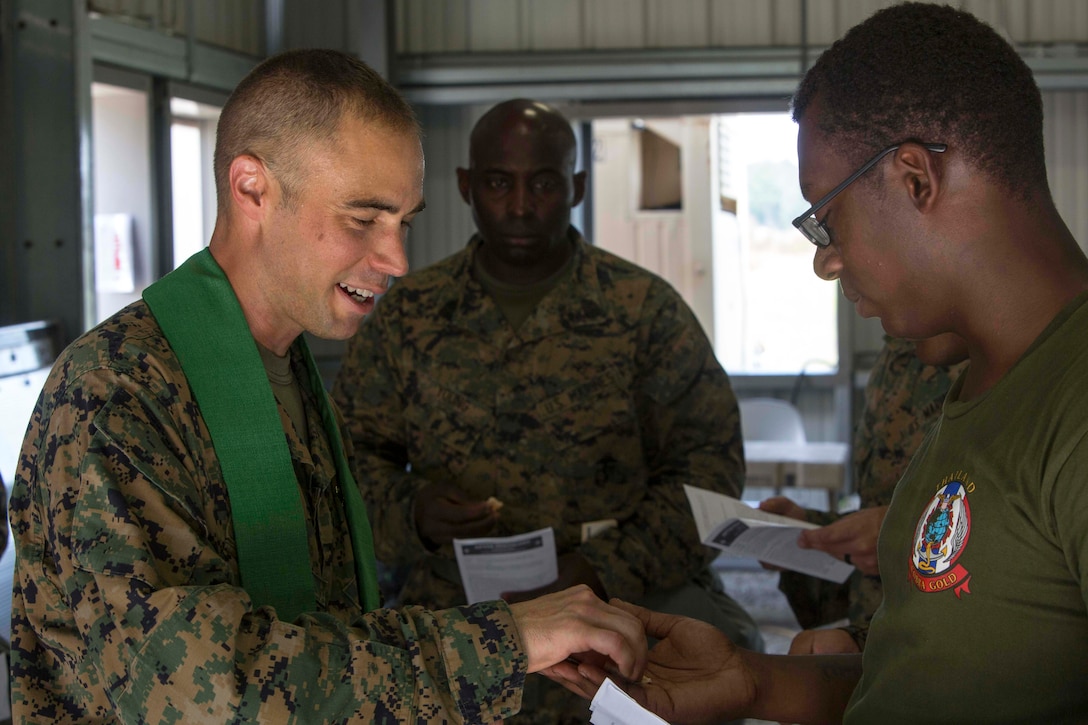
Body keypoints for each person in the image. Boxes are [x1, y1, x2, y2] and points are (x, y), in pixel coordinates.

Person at [7, 50, 648, 724]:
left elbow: (326, 622)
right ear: (252, 188)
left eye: (403, 220)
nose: (397, 258)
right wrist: (504, 640)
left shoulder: (284, 367)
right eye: (362, 219)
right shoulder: (119, 391)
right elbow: (208, 689)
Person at [566, 4, 1088, 722]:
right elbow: (942, 671)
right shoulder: (979, 388)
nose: (826, 261)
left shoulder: (1074, 401)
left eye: (828, 218)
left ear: (914, 180)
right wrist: (751, 679)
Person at [332, 98, 761, 722]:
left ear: (577, 187)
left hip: (615, 632)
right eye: (500, 183)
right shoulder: (408, 316)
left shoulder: (644, 312)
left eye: (544, 182)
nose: (522, 205)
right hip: (457, 637)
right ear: (466, 187)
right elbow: (346, 461)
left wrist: (599, 567)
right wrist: (414, 512)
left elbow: (710, 481)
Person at [762, 333, 968, 654]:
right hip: (884, 635)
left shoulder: (989, 353)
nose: (838, 282)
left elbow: (1013, 529)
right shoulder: (899, 350)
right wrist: (813, 526)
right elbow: (883, 507)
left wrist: (904, 535)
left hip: (947, 647)